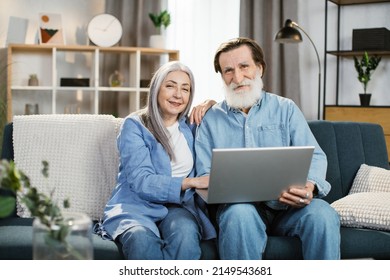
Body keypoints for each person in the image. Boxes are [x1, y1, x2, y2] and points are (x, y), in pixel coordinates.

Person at [194, 37, 341, 260]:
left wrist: (309, 186)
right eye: (228, 70)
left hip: (288, 210)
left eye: (244, 66)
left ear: (259, 68)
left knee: (322, 213)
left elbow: (316, 156)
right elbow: (203, 175)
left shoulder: (286, 109)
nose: (237, 77)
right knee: (240, 214)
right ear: (222, 76)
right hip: (237, 211)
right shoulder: (209, 119)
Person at [95, 61, 216, 260]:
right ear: (156, 89)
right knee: (141, 240)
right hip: (136, 204)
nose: (178, 94)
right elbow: (142, 181)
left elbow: (226, 114)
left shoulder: (191, 126)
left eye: (185, 89)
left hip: (178, 207)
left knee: (185, 236)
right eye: (170, 86)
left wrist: (210, 103)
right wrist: (191, 182)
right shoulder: (135, 125)